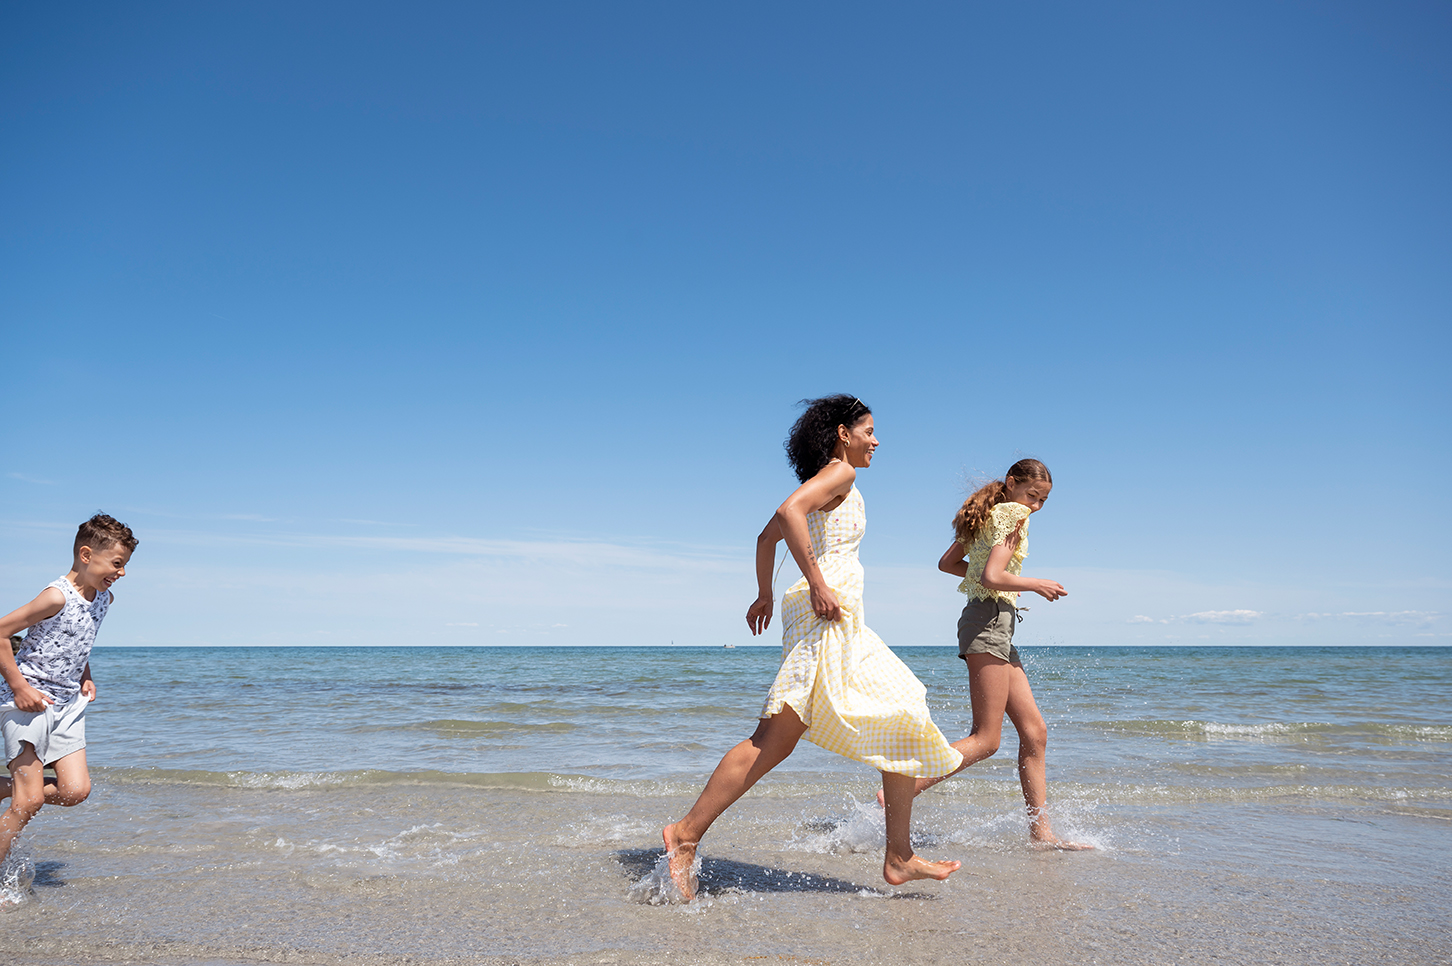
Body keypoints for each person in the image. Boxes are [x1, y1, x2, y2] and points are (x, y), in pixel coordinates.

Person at [661, 395, 965, 900]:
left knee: (901, 713)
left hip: (830, 614)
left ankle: (899, 856)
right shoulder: (840, 475)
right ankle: (685, 835)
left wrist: (764, 592)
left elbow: (766, 537)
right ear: (843, 433)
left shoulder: (831, 480)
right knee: (773, 739)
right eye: (869, 430)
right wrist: (819, 582)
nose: (876, 440)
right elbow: (787, 512)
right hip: (827, 613)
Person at [891, 459, 1090, 850]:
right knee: (986, 739)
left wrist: (997, 582)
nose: (1035, 506)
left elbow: (948, 564)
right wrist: (1036, 584)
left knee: (1035, 732)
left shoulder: (987, 514)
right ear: (1013, 484)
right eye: (1032, 495)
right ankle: (902, 789)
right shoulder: (1012, 513)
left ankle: (1041, 834)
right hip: (989, 622)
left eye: (1044, 500)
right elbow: (992, 577)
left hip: (990, 620)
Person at [0, 514, 137, 881]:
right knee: (29, 800)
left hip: (68, 703)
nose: (121, 573)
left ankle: (5, 788)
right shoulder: (55, 596)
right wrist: (19, 688)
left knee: (75, 790)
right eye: (117, 564)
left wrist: (85, 675)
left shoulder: (104, 598)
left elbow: (78, 639)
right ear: (87, 554)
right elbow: (0, 632)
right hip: (29, 700)